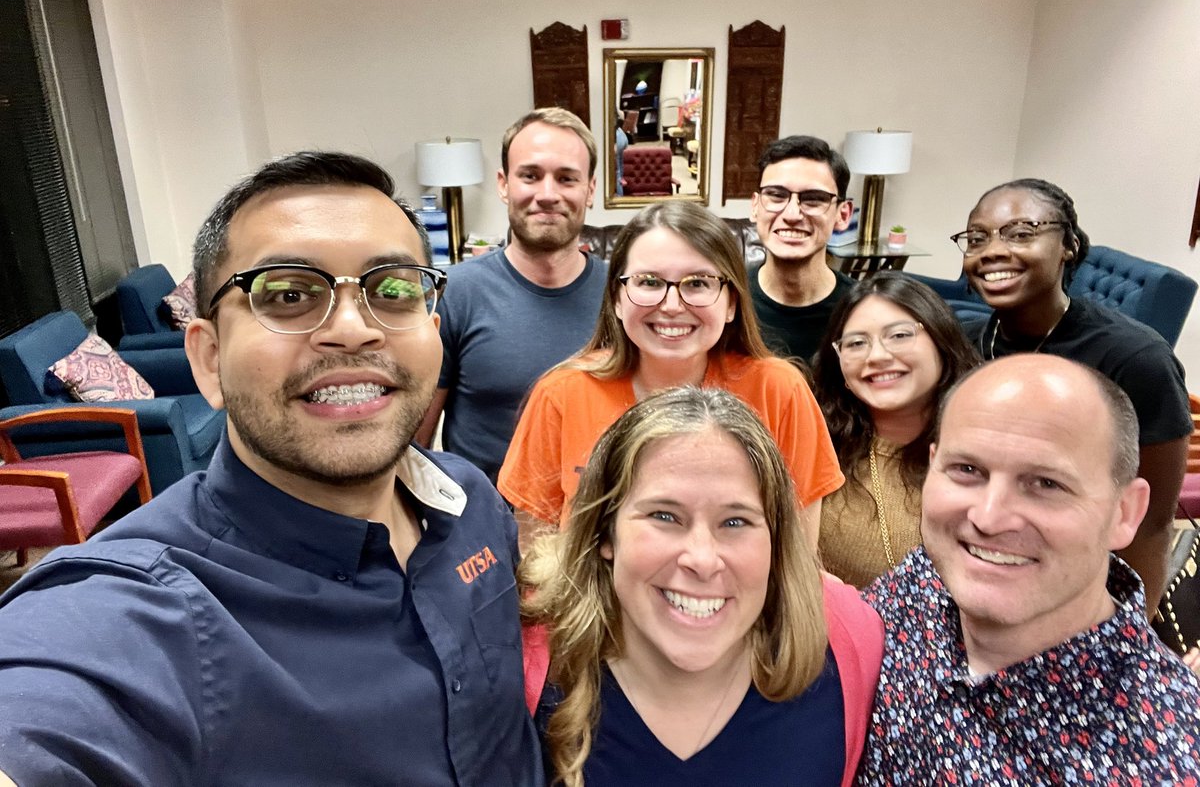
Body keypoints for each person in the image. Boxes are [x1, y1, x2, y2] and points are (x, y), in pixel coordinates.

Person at [0, 152, 543, 786]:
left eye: (392, 290)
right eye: (288, 294)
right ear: (207, 360)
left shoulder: (471, 497)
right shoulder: (146, 613)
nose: (352, 329)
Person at [858, 355, 1200, 784]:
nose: (988, 517)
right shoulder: (922, 581)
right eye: (967, 470)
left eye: (1046, 484)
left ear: (1124, 512)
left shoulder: (1168, 757)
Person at [521, 386, 883, 787]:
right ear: (605, 532)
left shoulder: (849, 640)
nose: (702, 559)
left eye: (735, 522)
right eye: (664, 516)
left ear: (775, 541)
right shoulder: (520, 659)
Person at [498, 200, 843, 545]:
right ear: (617, 298)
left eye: (698, 283)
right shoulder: (561, 394)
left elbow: (798, 556)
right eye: (649, 282)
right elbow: (535, 557)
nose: (672, 305)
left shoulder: (779, 391)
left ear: (732, 303)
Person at [953, 178, 1191, 607]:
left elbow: (1152, 524)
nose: (991, 250)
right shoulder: (965, 345)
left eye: (1021, 233)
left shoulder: (1137, 359)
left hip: (1077, 591)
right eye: (976, 238)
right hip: (985, 567)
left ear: (1068, 245)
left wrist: (1128, 634)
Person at [415, 108, 606, 484]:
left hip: (597, 525)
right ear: (503, 184)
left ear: (590, 190)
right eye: (530, 176)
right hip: (484, 526)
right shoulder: (454, 293)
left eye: (567, 178)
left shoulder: (624, 294)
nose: (547, 194)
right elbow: (415, 442)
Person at [811, 272, 978, 587]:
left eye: (900, 335)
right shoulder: (820, 445)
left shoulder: (986, 451)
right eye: (857, 343)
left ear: (942, 342)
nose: (878, 356)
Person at [748, 135, 855, 362]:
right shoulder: (725, 301)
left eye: (813, 199)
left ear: (842, 214)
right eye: (776, 196)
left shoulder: (859, 311)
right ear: (755, 206)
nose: (792, 215)